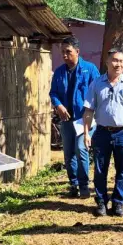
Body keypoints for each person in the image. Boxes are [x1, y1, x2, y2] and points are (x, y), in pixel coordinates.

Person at [83, 48, 123, 217]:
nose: (118, 64)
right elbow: (88, 111)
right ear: (107, 62)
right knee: (100, 170)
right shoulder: (96, 83)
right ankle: (101, 202)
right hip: (102, 132)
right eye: (115, 60)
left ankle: (118, 203)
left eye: (122, 61)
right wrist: (86, 133)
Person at [49, 36, 100, 198]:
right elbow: (53, 92)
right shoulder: (59, 72)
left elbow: (98, 91)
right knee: (68, 153)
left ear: (77, 51)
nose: (65, 55)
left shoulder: (89, 69)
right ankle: (74, 184)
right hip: (66, 120)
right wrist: (58, 105)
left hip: (84, 118)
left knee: (81, 149)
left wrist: (91, 112)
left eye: (68, 52)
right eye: (62, 52)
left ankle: (84, 185)